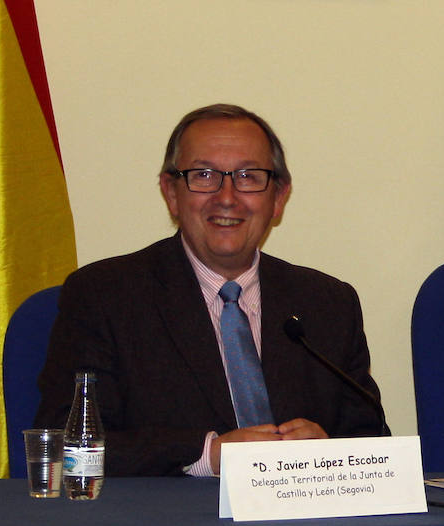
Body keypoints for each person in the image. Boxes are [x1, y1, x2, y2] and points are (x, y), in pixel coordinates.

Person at [35, 104, 388, 476]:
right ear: (170, 193)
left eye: (249, 176)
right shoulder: (105, 296)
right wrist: (209, 454)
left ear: (279, 197)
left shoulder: (328, 304)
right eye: (204, 175)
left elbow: (373, 441)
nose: (227, 197)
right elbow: (69, 444)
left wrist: (331, 455)